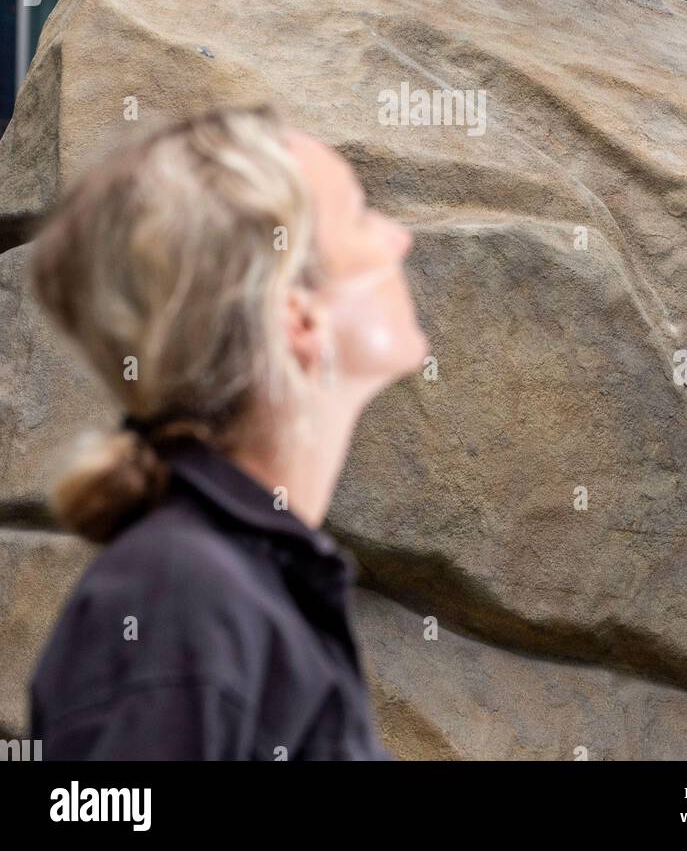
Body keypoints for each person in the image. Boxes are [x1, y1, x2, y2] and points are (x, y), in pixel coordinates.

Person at [28, 106, 428, 760]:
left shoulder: (231, 586)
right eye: (359, 216)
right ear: (297, 318)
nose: (399, 240)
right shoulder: (181, 600)